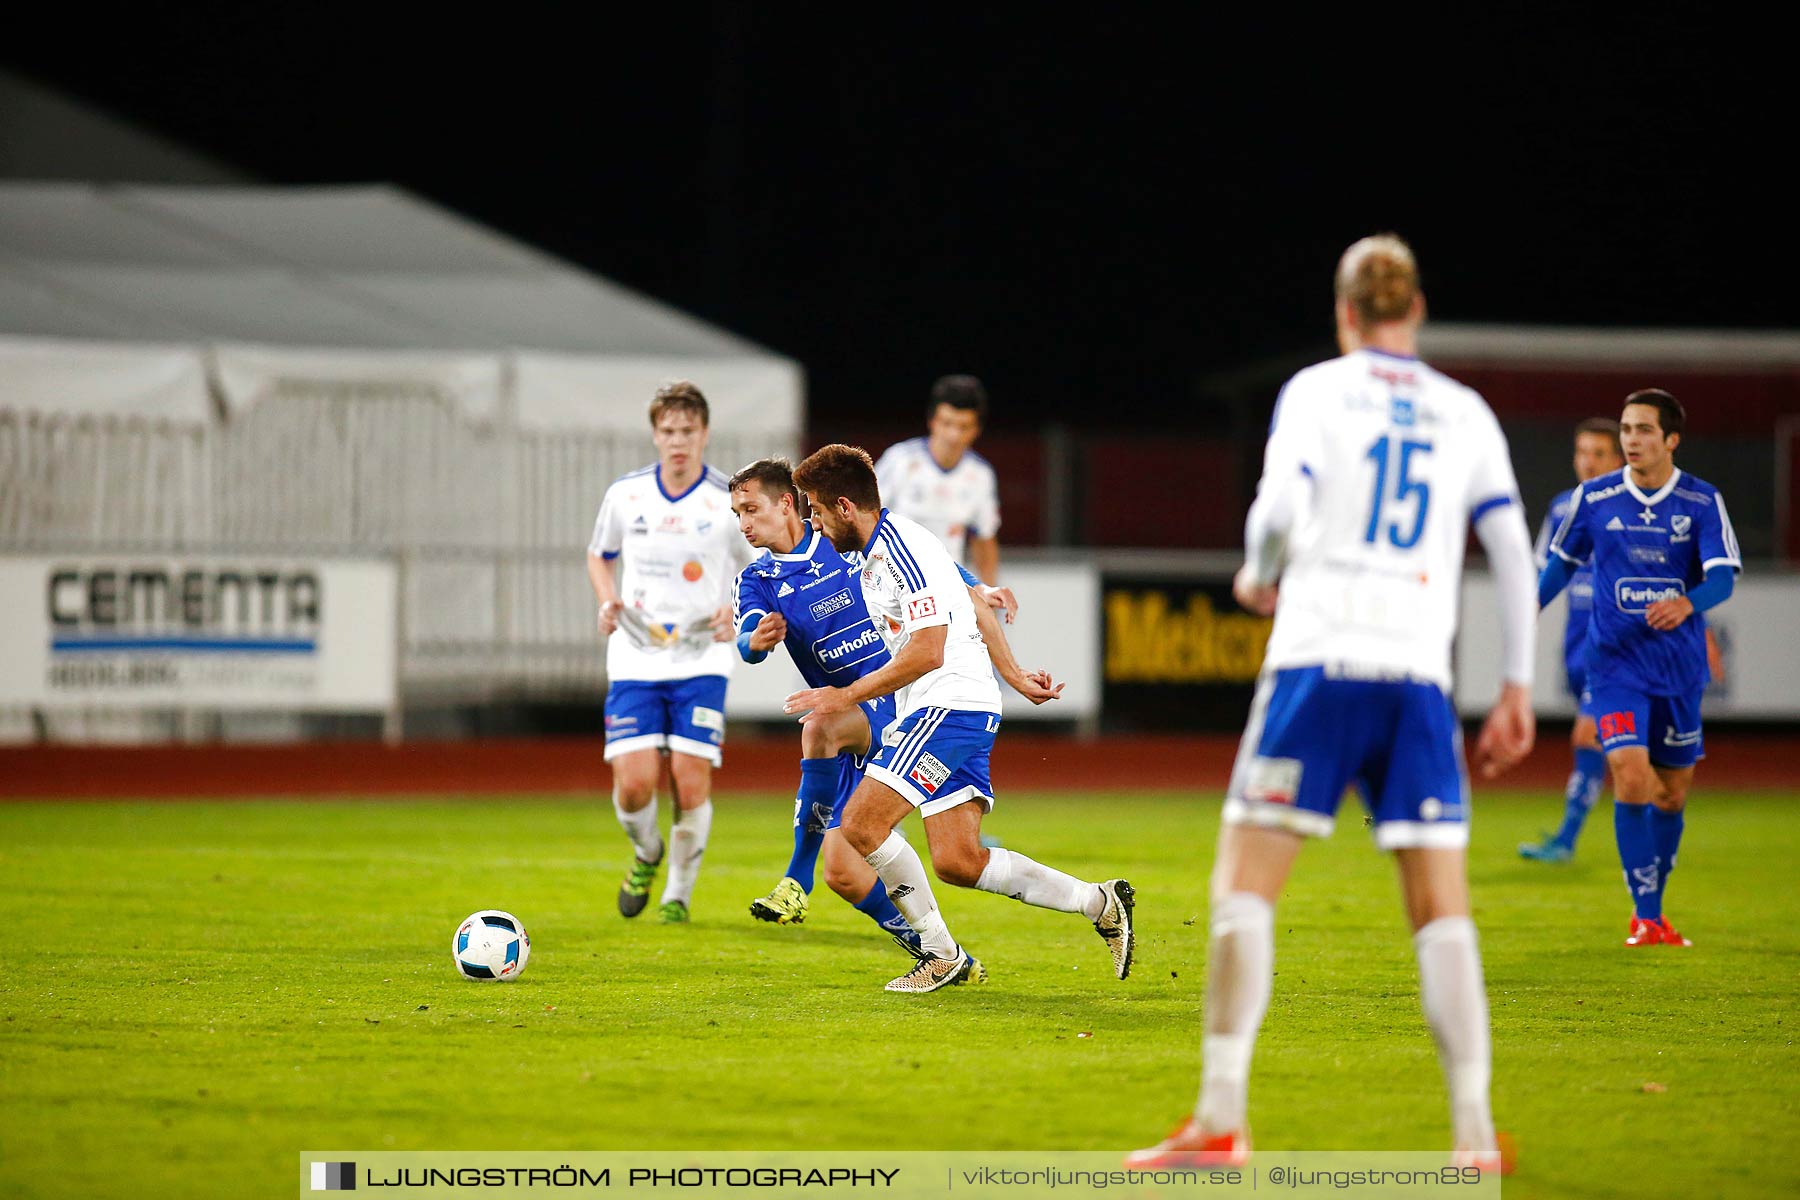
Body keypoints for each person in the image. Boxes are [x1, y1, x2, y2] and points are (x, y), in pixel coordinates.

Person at [1130, 234, 1538, 1172]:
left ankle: (1222, 1121)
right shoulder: (1464, 411)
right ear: (1418, 310)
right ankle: (1473, 1136)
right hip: (1418, 679)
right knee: (1440, 907)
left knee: (1243, 890)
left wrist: (1258, 574)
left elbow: (1276, 514)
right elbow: (1510, 550)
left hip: (1319, 663)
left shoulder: (1316, 392)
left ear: (1345, 312)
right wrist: (1516, 684)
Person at [784, 444, 1133, 994]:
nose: (815, 524)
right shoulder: (874, 548)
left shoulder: (902, 551)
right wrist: (1015, 676)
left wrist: (842, 695)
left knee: (861, 823)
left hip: (948, 705)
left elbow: (927, 653)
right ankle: (1101, 902)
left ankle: (941, 955)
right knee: (957, 860)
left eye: (818, 512)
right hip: (950, 706)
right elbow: (972, 597)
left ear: (846, 507)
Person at [727, 459, 1049, 957]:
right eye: (737, 514)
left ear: (786, 503)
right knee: (847, 874)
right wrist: (756, 639)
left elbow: (921, 566)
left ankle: (794, 880)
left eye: (751, 509)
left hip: (890, 700)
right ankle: (939, 953)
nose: (744, 523)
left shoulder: (842, 539)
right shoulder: (757, 579)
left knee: (819, 727)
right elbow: (746, 639)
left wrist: (976, 586)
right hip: (854, 717)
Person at [1539, 388, 1739, 947]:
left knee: (1672, 793)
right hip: (1613, 664)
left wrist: (1687, 603)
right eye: (1626, 429)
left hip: (1676, 669)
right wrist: (1526, 607)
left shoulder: (1701, 503)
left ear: (1671, 439)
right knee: (1628, 772)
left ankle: (1656, 906)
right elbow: (1560, 564)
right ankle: (1646, 916)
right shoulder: (1594, 498)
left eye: (1643, 430)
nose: (1631, 439)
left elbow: (1722, 576)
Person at [586, 382, 756, 923]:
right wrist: (608, 598)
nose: (678, 441)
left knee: (689, 777)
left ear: (704, 434)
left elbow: (759, 566)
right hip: (635, 655)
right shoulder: (626, 494)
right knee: (634, 786)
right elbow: (598, 555)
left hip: (701, 658)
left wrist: (739, 608)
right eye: (668, 431)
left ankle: (677, 894)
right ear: (655, 435)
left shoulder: (727, 499)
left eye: (688, 431)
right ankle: (647, 851)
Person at [1518, 418, 1626, 862]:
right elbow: (1543, 570)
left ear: (1619, 459)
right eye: (1582, 452)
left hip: (1619, 644)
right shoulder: (1564, 508)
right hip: (1578, 641)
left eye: (1599, 453)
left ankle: (1566, 840)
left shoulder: (1634, 508)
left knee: (1589, 737)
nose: (1589, 461)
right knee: (1607, 745)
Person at [873, 375, 1002, 583]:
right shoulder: (899, 461)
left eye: (963, 427)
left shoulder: (981, 475)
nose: (953, 435)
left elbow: (984, 540)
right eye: (947, 423)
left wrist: (989, 594)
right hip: (893, 587)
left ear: (976, 430)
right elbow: (864, 518)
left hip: (945, 591)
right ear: (932, 421)